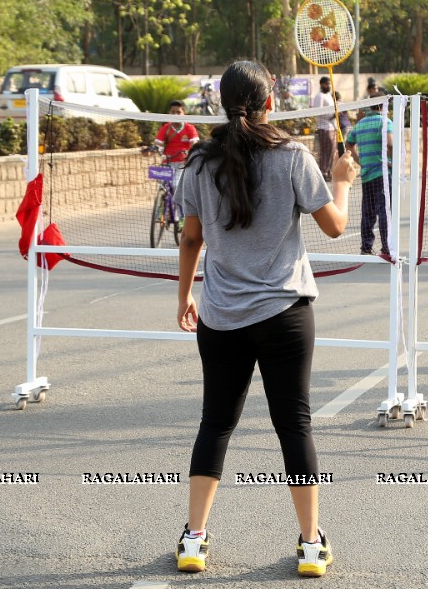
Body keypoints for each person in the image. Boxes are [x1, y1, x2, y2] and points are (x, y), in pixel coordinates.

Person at [174, 61, 358, 577]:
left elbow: (191, 239)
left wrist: (185, 295)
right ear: (269, 103)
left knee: (215, 423)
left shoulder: (197, 164)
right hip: (285, 314)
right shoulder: (293, 158)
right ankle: (311, 546)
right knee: (293, 425)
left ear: (221, 103)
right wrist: (342, 181)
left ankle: (193, 539)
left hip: (221, 313)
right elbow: (337, 228)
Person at [345, 93, 394, 256]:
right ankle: (387, 248)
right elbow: (390, 143)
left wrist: (360, 161)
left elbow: (349, 144)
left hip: (366, 174)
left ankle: (366, 247)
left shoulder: (360, 125)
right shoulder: (384, 121)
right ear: (383, 106)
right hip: (382, 174)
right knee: (385, 211)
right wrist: (392, 161)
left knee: (368, 211)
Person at [309, 76, 336, 179]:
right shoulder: (319, 96)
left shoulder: (329, 96)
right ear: (322, 84)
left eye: (329, 84)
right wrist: (331, 115)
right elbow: (318, 112)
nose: (329, 85)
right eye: (327, 84)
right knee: (325, 151)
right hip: (323, 127)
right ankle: (323, 172)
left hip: (332, 127)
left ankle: (329, 171)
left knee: (332, 151)